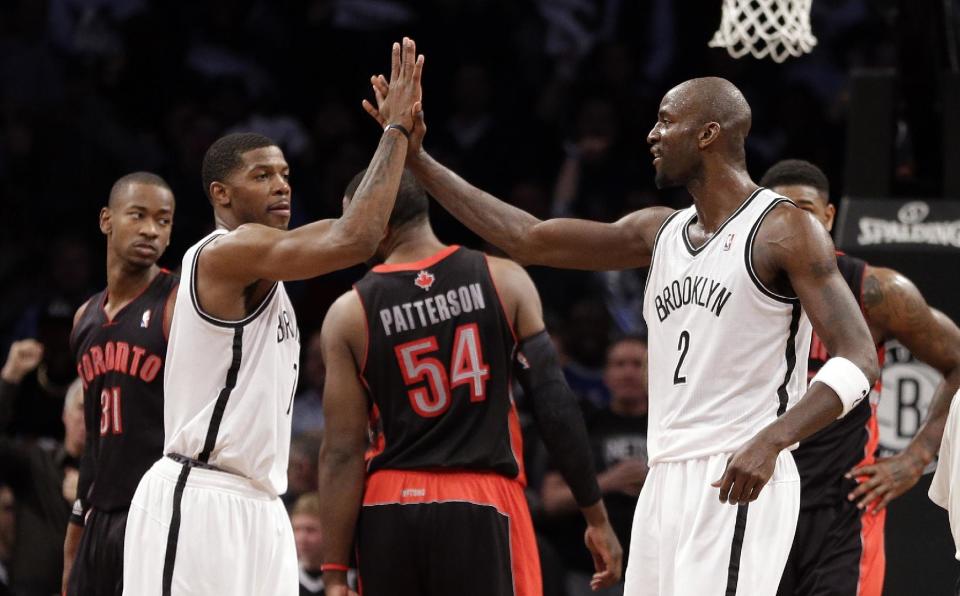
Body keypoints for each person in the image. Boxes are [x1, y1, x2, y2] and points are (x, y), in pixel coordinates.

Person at [363, 75, 880, 595]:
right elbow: (529, 237)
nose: (652, 135)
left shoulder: (782, 229)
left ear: (708, 133)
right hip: (665, 474)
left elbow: (859, 359)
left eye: (666, 120)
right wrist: (419, 158)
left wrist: (773, 440)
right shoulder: (660, 231)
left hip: (736, 469)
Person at [121, 37, 424, 596]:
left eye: (284, 173)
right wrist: (395, 132)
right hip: (200, 495)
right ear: (222, 193)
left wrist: (405, 149)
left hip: (263, 505)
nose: (282, 183)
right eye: (261, 175)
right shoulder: (226, 253)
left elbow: (354, 227)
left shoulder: (271, 263)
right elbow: (355, 236)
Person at [318, 169, 622, 596]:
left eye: (351, 222)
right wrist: (595, 517)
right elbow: (555, 405)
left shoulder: (349, 312)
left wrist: (333, 573)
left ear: (379, 224)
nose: (347, 235)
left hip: (389, 504)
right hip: (482, 497)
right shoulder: (504, 279)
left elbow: (341, 453)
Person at [760, 159, 960, 596]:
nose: (794, 224)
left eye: (806, 211)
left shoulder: (874, 290)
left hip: (840, 512)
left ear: (829, 217)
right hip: (755, 502)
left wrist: (916, 458)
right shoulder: (741, 291)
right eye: (780, 211)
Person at [63, 171, 177, 596]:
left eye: (164, 221)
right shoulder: (85, 318)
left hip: (157, 511)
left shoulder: (177, 302)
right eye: (139, 215)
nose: (151, 229)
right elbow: (93, 438)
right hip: (98, 514)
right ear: (106, 220)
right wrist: (76, 530)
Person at [541, 334, 649, 596]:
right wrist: (611, 481)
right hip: (591, 572)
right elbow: (551, 500)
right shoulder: (583, 428)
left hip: (655, 566)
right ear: (606, 375)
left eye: (637, 364)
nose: (628, 372)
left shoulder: (673, 429)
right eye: (619, 364)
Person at [0, 376, 83, 596]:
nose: (86, 419)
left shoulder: (107, 478)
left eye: (93, 410)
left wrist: (85, 501)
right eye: (81, 408)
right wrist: (8, 380)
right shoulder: (35, 461)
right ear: (65, 414)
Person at [290, 492, 357, 596]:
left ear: (330, 532)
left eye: (311, 530)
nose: (302, 538)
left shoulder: (350, 580)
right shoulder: (288, 576)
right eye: (297, 529)